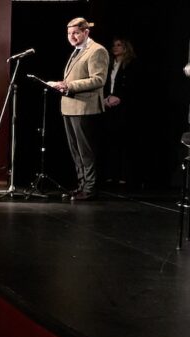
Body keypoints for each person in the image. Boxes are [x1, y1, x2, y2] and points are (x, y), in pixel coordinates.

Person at [49, 17, 109, 201]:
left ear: (86, 32)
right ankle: (82, 186)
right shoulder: (77, 51)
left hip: (85, 108)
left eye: (76, 32)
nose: (72, 36)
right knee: (76, 151)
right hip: (70, 107)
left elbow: (98, 79)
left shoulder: (97, 51)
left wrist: (69, 85)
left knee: (85, 151)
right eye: (69, 33)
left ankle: (90, 189)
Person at [103, 37, 139, 187]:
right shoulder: (110, 64)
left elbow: (133, 85)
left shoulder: (132, 64)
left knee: (124, 141)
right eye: (114, 45)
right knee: (110, 140)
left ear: (126, 47)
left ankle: (125, 175)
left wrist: (120, 98)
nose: (115, 47)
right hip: (109, 105)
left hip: (125, 107)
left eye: (119, 45)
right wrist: (105, 98)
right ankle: (111, 174)